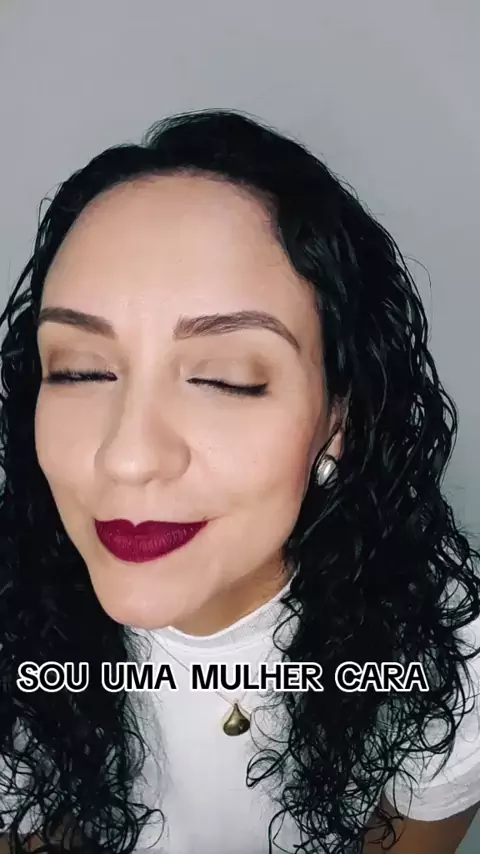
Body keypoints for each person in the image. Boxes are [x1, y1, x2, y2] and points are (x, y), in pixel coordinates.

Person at [0, 108, 479, 854]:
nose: (128, 457)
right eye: (80, 370)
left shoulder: (449, 649)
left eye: (226, 379)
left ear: (336, 420)